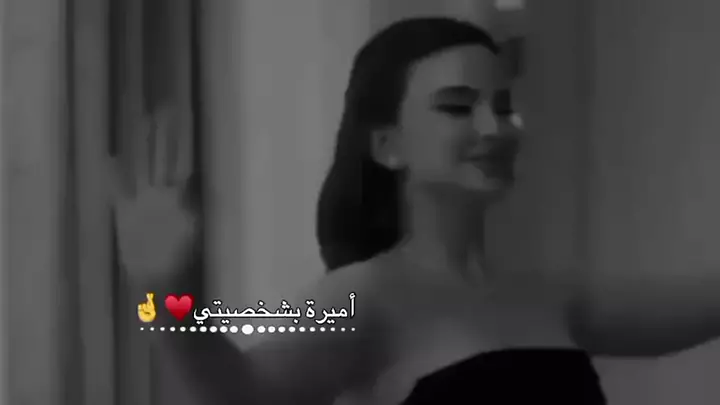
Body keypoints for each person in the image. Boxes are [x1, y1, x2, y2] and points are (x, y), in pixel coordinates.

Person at [115, 17, 720, 405]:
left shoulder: (547, 295)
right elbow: (234, 393)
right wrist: (160, 295)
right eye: (457, 107)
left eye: (502, 106)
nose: (495, 128)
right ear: (388, 145)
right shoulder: (364, 298)